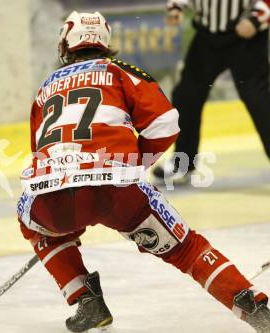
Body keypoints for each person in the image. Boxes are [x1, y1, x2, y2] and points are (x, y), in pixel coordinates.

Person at [17, 11, 270, 332]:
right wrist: (136, 165)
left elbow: (40, 151)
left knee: (32, 221)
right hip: (118, 189)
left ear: (65, 44)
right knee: (186, 249)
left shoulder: (45, 88)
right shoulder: (123, 72)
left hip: (52, 193)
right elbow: (166, 123)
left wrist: (68, 213)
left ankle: (84, 298)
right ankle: (252, 305)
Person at [152, 0, 270, 184]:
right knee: (186, 96)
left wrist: (257, 18)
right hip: (207, 36)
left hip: (247, 38)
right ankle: (183, 164)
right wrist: (176, 7)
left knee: (258, 98)